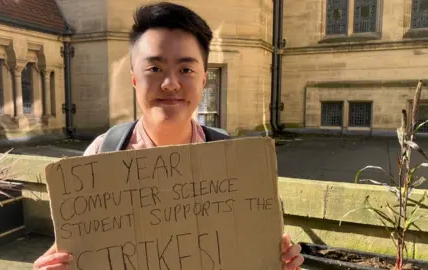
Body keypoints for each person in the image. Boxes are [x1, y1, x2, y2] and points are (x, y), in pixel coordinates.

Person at [33, 2, 304, 270]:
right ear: (134, 78)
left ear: (203, 80)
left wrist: (278, 260)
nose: (171, 83)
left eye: (186, 70)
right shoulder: (102, 155)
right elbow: (75, 250)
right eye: (155, 69)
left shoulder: (232, 163)